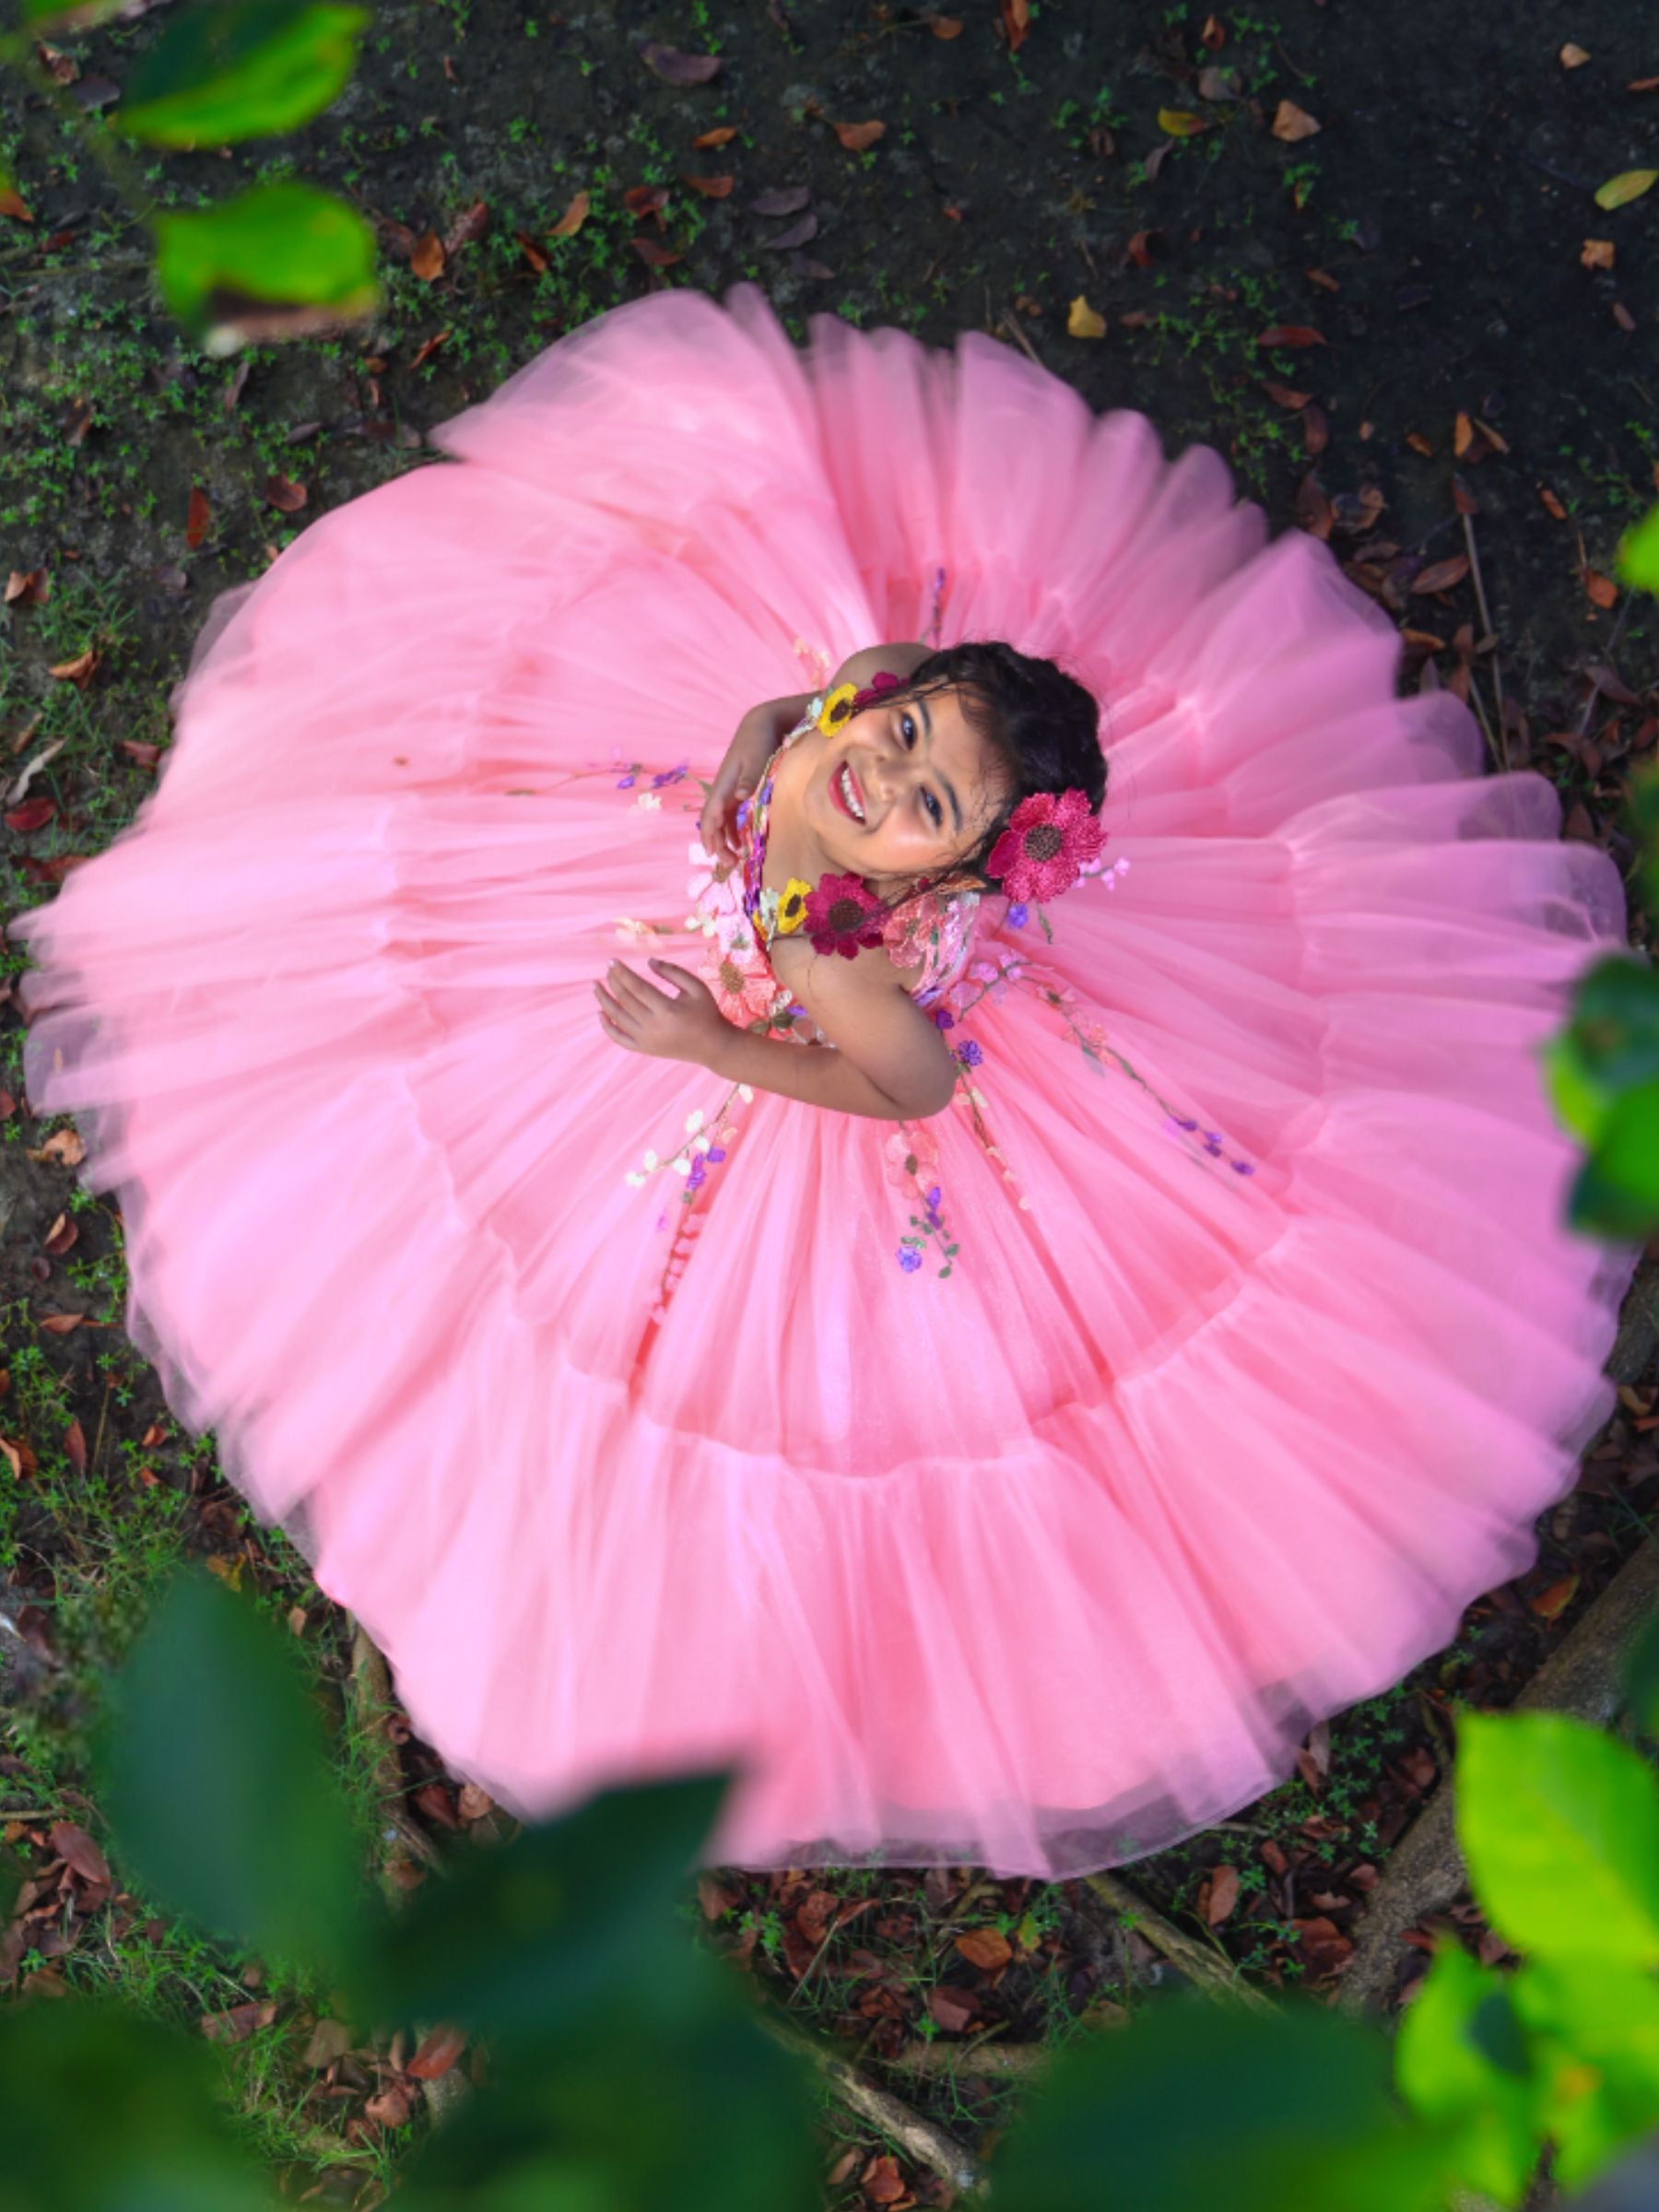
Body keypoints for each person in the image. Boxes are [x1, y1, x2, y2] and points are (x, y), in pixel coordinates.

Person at [9, 280, 1642, 1879]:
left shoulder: (837, 960)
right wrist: (772, 724)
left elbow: (917, 1090)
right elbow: (853, 682)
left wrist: (719, 1047)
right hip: (759, 902)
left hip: (816, 1033)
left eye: (929, 806)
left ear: (967, 868)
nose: (882, 774)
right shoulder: (862, 701)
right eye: (907, 732)